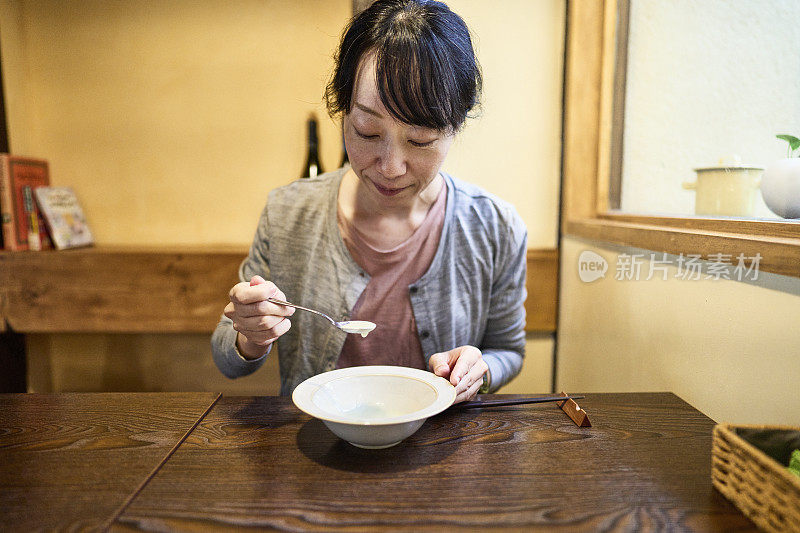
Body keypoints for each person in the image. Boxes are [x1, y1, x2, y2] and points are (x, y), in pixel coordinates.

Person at [212, 0, 527, 403]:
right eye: (366, 132)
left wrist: (481, 369)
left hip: (443, 455)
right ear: (342, 112)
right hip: (317, 452)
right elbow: (228, 357)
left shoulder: (496, 227)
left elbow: (509, 352)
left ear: (457, 125)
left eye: (420, 141)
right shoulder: (287, 214)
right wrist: (251, 335)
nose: (391, 167)